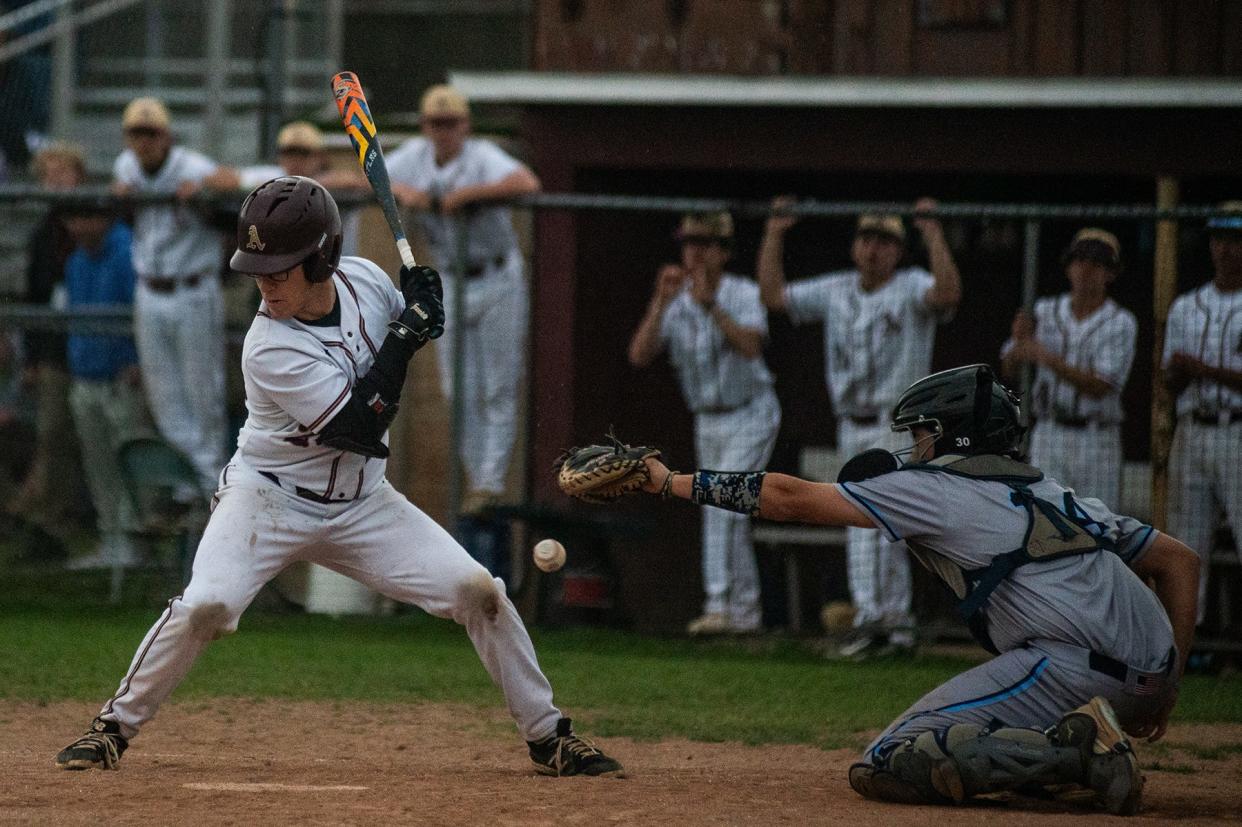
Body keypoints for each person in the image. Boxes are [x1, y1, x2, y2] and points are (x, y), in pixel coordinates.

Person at [54, 176, 623, 779]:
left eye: (279, 268)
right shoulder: (267, 347)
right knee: (208, 606)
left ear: (322, 258)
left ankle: (549, 735)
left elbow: (411, 325)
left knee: (479, 592)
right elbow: (356, 425)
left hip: (362, 503)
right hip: (268, 498)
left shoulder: (367, 280)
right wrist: (407, 339)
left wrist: (425, 305)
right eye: (257, 268)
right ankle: (112, 727)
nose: (264, 283)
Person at [634, 364, 1197, 815]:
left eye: (923, 432)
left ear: (954, 434)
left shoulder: (936, 488)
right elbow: (1180, 561)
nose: (916, 445)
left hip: (1071, 669)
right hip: (1148, 679)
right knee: (971, 749)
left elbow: (789, 497)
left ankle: (1079, 755)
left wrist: (669, 482)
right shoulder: (1058, 494)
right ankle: (1072, 753)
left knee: (885, 762)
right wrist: (1168, 684)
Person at [757, 196, 963, 657]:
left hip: (897, 423)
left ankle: (882, 624)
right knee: (863, 523)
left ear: (897, 250)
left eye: (885, 241)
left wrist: (932, 232)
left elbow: (948, 294)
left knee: (881, 522)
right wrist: (774, 233)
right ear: (855, 247)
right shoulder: (837, 288)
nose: (874, 249)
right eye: (867, 238)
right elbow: (774, 297)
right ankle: (887, 626)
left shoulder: (911, 285)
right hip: (851, 423)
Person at [386, 84, 541, 514]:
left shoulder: (481, 157)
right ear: (425, 127)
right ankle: (478, 483)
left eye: (451, 123)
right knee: (456, 388)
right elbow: (371, 173)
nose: (444, 132)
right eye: (436, 124)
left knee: (498, 385)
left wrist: (465, 197)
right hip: (450, 280)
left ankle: (490, 480)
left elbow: (527, 182)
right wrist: (403, 192)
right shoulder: (415, 157)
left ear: (465, 126)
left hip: (495, 274)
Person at [627, 211, 780, 635]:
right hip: (707, 419)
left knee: (723, 501)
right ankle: (744, 614)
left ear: (723, 252)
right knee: (726, 507)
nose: (693, 252)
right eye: (688, 243)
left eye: (704, 244)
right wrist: (660, 301)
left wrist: (711, 306)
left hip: (751, 410)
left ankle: (719, 606)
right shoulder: (674, 299)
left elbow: (751, 346)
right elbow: (640, 354)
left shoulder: (742, 292)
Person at [113, 96, 225, 493]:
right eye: (137, 134)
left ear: (167, 136)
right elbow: (121, 204)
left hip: (193, 286)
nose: (144, 142)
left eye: (152, 133)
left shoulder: (192, 166)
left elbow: (231, 183)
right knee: (163, 393)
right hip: (150, 290)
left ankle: (213, 484)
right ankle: (188, 485)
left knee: (202, 392)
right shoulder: (125, 166)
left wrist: (207, 189)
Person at [1000, 228, 1137, 509]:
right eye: (1079, 261)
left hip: (1097, 436)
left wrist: (1043, 355)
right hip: (1050, 432)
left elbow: (1100, 386)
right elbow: (1008, 369)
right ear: (1068, 267)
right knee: (1044, 519)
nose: (1085, 269)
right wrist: (1018, 342)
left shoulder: (1121, 321)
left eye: (1096, 263)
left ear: (1110, 273)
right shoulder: (1044, 309)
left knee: (1098, 525)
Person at [5, 141, 91, 560]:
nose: (55, 180)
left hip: (90, 343)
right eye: (48, 174)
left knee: (69, 434)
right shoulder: (43, 232)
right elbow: (37, 295)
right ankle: (44, 518)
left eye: (63, 171)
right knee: (53, 431)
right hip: (55, 347)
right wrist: (35, 357)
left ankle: (47, 514)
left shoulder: (94, 221)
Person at [60, 198, 155, 570]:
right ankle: (111, 540)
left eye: (88, 217)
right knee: (98, 462)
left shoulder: (128, 252)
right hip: (86, 374)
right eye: (75, 218)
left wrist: (135, 359)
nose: (80, 226)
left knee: (129, 457)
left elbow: (140, 309)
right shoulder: (75, 261)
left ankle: (136, 542)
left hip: (120, 376)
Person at [1162, 201, 1242, 628]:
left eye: (1236, 240)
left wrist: (1204, 369)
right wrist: (1180, 371)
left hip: (1238, 430)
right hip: (1192, 428)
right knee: (1187, 543)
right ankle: (1185, 643)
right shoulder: (1186, 306)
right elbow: (1168, 382)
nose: (1228, 249)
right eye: (1221, 239)